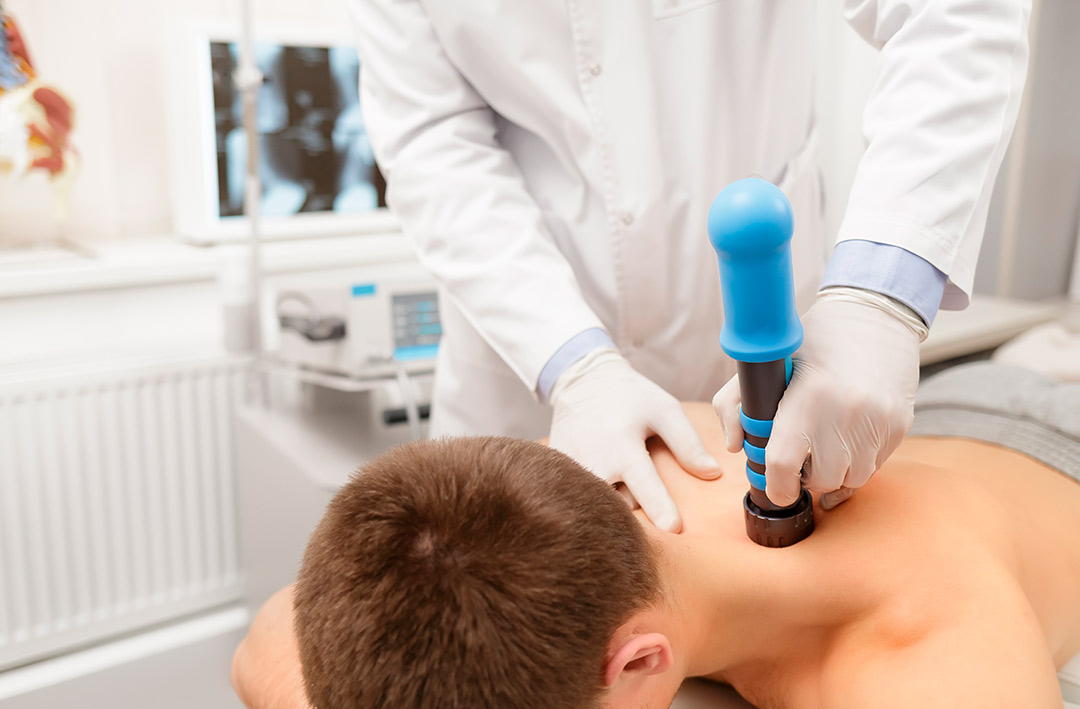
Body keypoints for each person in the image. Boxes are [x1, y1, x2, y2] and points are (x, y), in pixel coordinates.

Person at [344, 0, 1031, 529]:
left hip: (764, 358)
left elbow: (955, 14)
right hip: (525, 359)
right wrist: (573, 365)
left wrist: (879, 296)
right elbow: (432, 142)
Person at [231, 363, 1080, 709]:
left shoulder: (935, 668)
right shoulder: (587, 495)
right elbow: (271, 636)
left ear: (641, 662)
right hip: (937, 432)